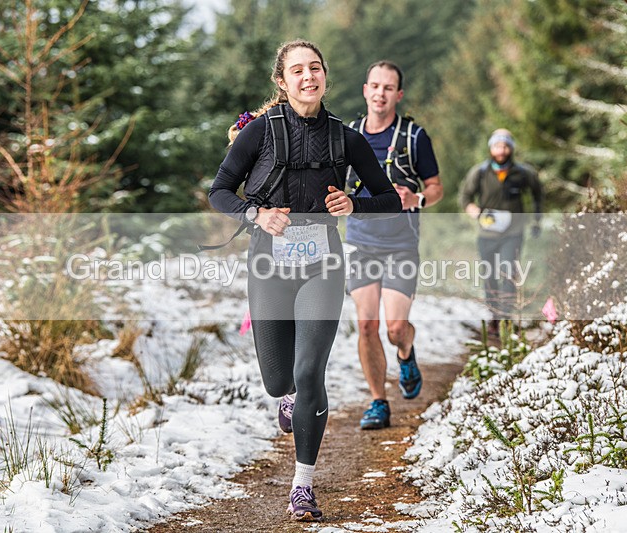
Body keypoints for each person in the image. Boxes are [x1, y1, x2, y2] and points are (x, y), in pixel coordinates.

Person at [208, 40, 401, 522]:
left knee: (310, 370)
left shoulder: (345, 138)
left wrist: (355, 205)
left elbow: (390, 199)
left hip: (324, 265)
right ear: (282, 80)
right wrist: (257, 213)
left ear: (325, 76)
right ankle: (290, 396)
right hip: (269, 264)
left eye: (315, 68)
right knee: (279, 381)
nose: (308, 77)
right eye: (297, 70)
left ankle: (303, 486)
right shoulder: (258, 133)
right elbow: (218, 193)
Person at [345, 61, 443, 431]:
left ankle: (406, 350)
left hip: (401, 244)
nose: (380, 93)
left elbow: (436, 187)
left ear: (398, 95)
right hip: (360, 241)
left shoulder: (415, 137)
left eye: (388, 88)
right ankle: (378, 402)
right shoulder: (348, 135)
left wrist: (415, 197)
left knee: (395, 327)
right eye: (375, 86)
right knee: (367, 325)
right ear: (365, 90)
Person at [458, 128, 543, 336]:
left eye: (505, 146)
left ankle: (507, 318)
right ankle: (494, 317)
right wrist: (475, 212)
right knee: (490, 275)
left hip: (513, 233)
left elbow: (538, 193)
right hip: (486, 234)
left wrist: (536, 220)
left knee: (508, 274)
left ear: (511, 148)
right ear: (491, 148)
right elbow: (465, 198)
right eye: (497, 146)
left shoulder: (523, 173)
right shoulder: (480, 172)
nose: (501, 150)